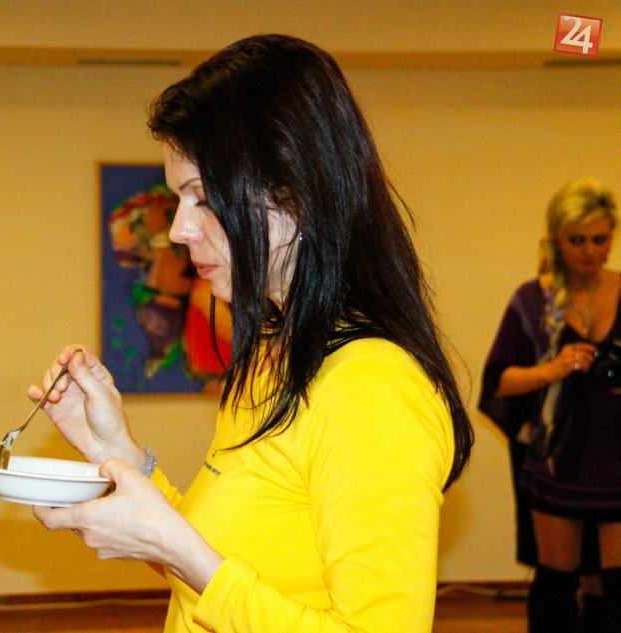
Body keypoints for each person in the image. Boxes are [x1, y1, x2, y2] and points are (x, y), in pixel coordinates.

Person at [29, 34, 474, 633]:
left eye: (201, 197)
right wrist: (117, 453)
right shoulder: (276, 352)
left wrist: (176, 549)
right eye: (178, 199)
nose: (179, 230)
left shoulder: (374, 388)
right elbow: (223, 567)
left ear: (297, 193)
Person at [479, 178, 620, 633]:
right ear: (557, 239)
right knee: (556, 586)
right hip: (558, 464)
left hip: (618, 464)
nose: (589, 251)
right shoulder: (530, 299)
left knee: (617, 592)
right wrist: (551, 370)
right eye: (577, 240)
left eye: (599, 239)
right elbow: (498, 382)